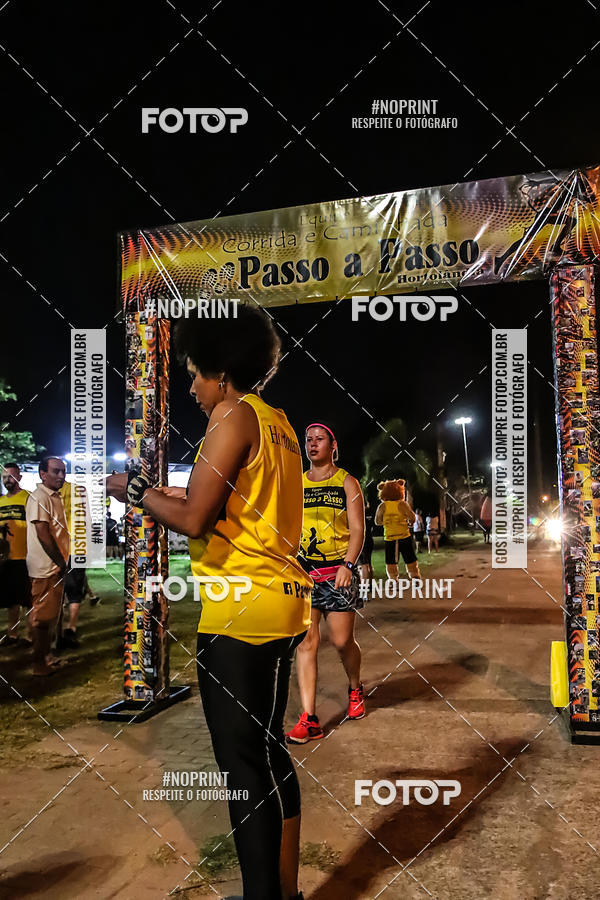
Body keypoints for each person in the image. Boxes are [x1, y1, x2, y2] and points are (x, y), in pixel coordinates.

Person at [107, 304, 310, 900]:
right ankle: (286, 889)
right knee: (269, 754)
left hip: (238, 614)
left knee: (243, 773)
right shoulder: (278, 422)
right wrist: (171, 493)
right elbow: (232, 504)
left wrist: (138, 491)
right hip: (281, 604)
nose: (191, 388)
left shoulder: (229, 416)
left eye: (194, 373)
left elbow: (196, 517)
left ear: (221, 370)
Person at [286, 423, 366, 745]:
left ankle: (355, 686)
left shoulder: (347, 482)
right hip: (303, 574)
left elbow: (358, 528)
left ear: (333, 445)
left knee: (342, 641)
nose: (312, 444)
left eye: (319, 439)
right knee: (306, 643)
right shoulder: (296, 484)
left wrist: (348, 564)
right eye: (308, 439)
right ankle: (310, 718)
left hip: (338, 573)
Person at [26, 457, 69, 676]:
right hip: (46, 568)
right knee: (42, 619)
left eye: (63, 471)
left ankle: (46, 657)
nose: (61, 476)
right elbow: (43, 534)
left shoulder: (54, 496)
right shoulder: (39, 497)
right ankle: (39, 665)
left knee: (49, 616)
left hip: (53, 567)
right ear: (43, 474)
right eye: (56, 472)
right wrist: (61, 562)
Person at [0, 463, 31, 645]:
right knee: (11, 600)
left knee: (28, 599)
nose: (7, 481)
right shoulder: (1, 501)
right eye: (4, 477)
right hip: (6, 558)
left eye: (11, 476)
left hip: (26, 556)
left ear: (19, 477)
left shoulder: (28, 498)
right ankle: (12, 634)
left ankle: (29, 635)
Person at [375, 480, 420, 581]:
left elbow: (377, 521)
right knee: (410, 557)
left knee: (390, 560)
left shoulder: (382, 506)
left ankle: (392, 579)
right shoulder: (402, 504)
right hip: (404, 535)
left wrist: (387, 522)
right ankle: (414, 575)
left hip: (389, 537)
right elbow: (412, 517)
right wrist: (409, 523)